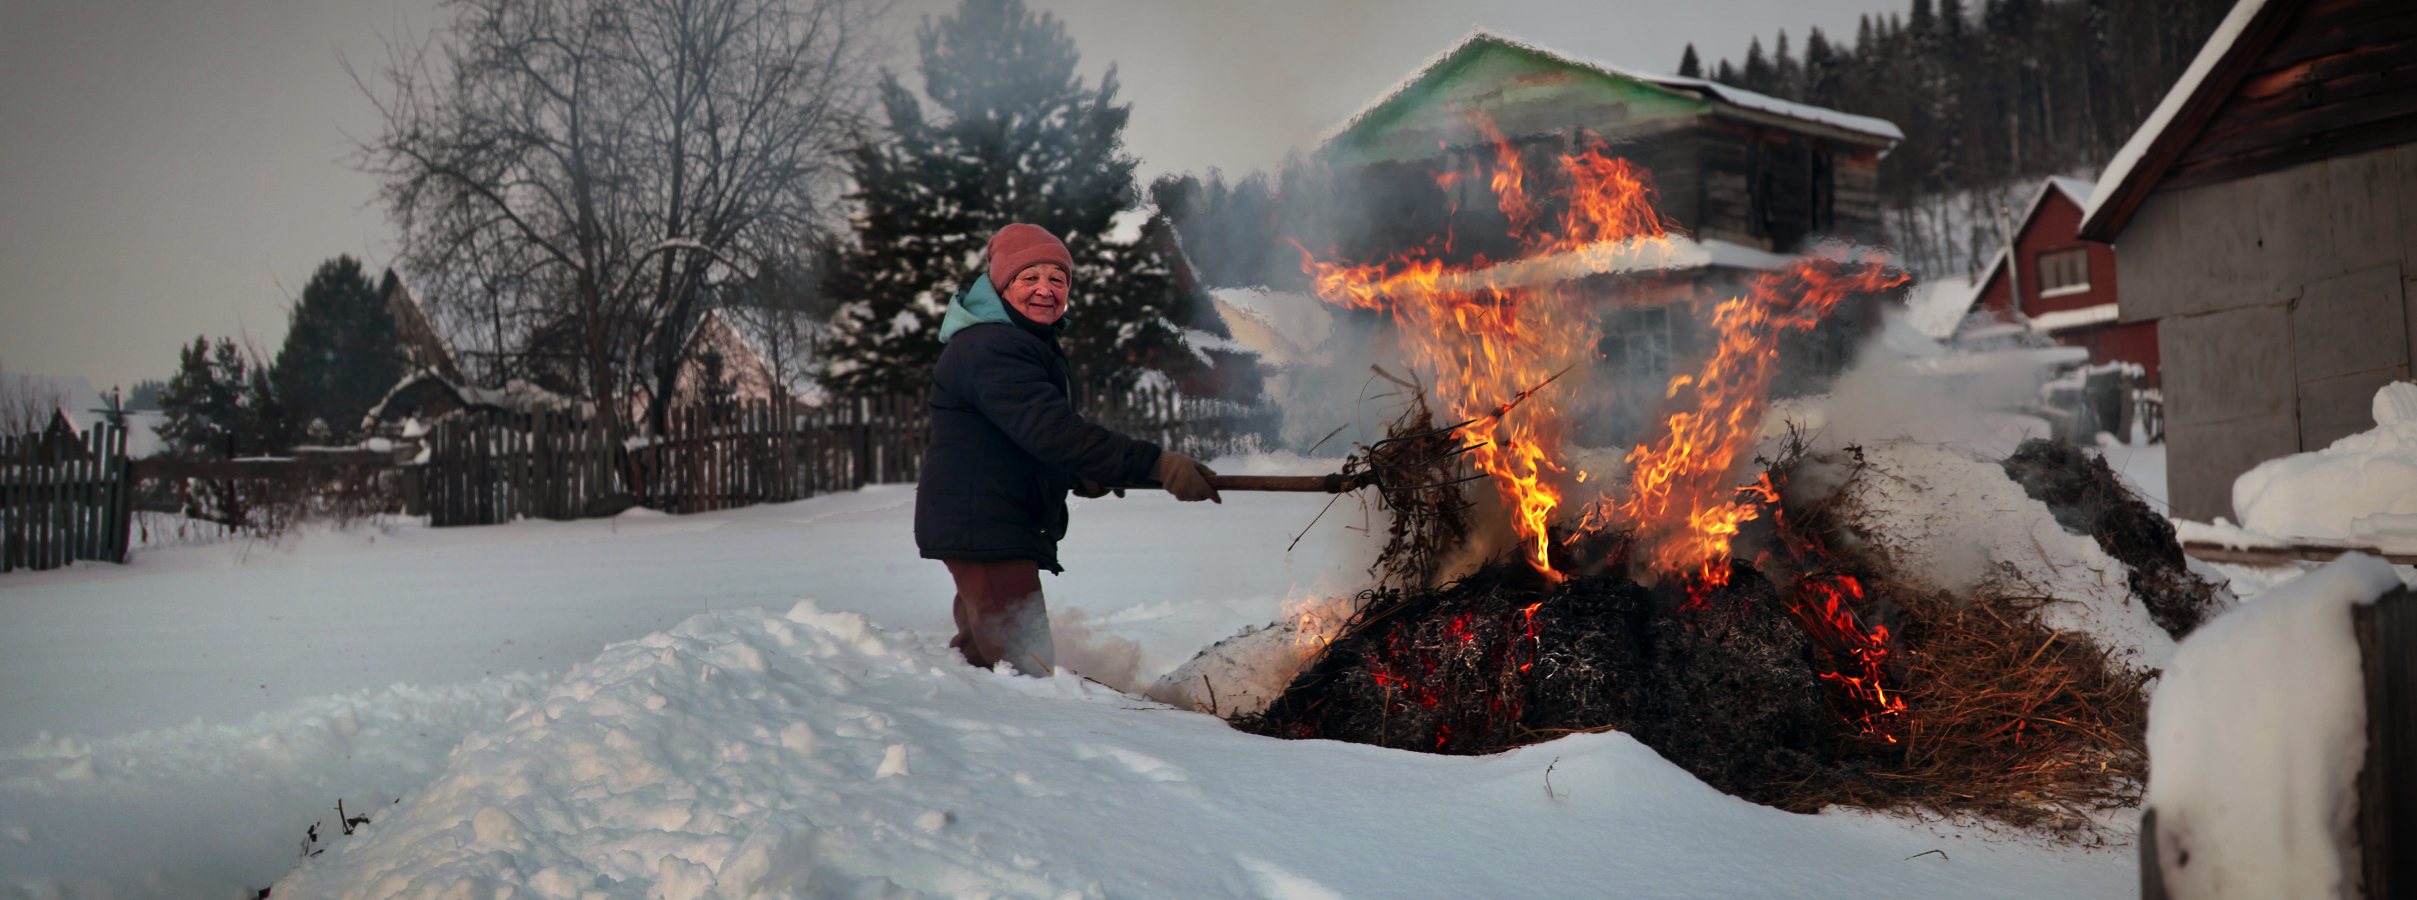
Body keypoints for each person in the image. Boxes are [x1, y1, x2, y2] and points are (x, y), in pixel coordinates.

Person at [914, 223, 1222, 676]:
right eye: (1029, 278)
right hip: (983, 525)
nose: (1045, 290)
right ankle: (1030, 744)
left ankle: (968, 736)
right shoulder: (992, 347)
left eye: (1057, 280)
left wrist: (1075, 473)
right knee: (1026, 667)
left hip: (986, 521)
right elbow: (1052, 432)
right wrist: (1158, 464)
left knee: (983, 664)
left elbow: (1016, 437)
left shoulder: (1018, 341)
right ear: (1002, 285)